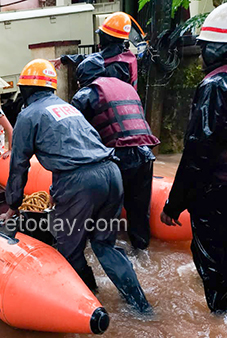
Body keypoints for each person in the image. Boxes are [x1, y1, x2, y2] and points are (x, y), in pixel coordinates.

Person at [0, 59, 151, 313]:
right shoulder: (68, 107)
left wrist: (12, 205)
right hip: (112, 173)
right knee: (104, 245)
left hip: (79, 181)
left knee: (68, 249)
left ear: (26, 90)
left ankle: (91, 301)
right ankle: (141, 307)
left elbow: (19, 165)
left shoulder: (28, 115)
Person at [160, 1, 227, 313]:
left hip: (218, 190)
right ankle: (220, 287)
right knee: (226, 246)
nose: (203, 53)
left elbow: (196, 153)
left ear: (219, 48)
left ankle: (220, 315)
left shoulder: (219, 85)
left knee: (212, 258)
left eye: (206, 47)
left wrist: (174, 204)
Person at [71, 54, 160, 250]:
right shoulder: (127, 87)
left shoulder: (84, 95)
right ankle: (141, 250)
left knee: (107, 210)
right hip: (145, 154)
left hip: (118, 158)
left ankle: (105, 250)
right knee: (139, 210)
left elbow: (77, 138)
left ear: (82, 79)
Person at [54, 12, 138, 89]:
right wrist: (64, 58)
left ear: (107, 38)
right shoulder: (123, 55)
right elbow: (90, 58)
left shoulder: (117, 67)